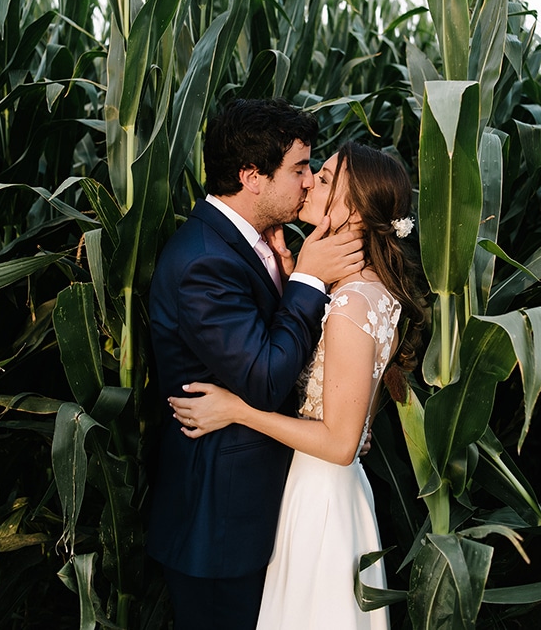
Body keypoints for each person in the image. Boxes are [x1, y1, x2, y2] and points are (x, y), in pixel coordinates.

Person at [171, 141, 426, 630]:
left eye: (326, 178)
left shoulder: (352, 304)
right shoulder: (354, 290)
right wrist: (296, 278)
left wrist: (238, 411)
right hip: (315, 489)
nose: (310, 181)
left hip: (321, 499)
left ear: (354, 211)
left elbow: (340, 443)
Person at [147, 98, 365, 630]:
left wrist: (295, 275)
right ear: (251, 176)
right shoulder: (204, 260)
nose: (309, 181)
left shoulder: (251, 243)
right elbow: (266, 379)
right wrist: (309, 282)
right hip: (220, 523)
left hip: (267, 507)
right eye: (298, 169)